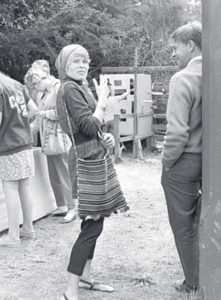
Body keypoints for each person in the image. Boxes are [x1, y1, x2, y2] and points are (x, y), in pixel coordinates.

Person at [55, 44, 128, 300]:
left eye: (86, 61)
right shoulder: (69, 89)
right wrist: (103, 103)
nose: (83, 65)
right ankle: (70, 289)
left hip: (94, 154)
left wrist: (105, 137)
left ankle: (84, 279)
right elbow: (87, 124)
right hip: (85, 160)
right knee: (92, 227)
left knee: (93, 222)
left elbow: (93, 127)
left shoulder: (79, 88)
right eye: (76, 60)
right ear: (64, 64)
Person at [161, 21, 202, 293]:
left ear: (190, 45)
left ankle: (193, 282)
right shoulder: (220, 75)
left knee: (183, 226)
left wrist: (166, 162)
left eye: (175, 48)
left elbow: (176, 132)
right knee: (204, 221)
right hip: (211, 161)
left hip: (184, 161)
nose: (173, 54)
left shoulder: (183, 78)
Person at [0, 61, 38, 246]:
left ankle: (13, 236)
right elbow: (34, 110)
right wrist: (19, 123)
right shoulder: (16, 85)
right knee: (24, 187)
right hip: (25, 144)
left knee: (10, 190)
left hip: (9, 147)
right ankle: (28, 229)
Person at [24, 65, 77, 223]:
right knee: (53, 174)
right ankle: (61, 205)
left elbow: (65, 114)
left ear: (41, 79)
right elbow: (38, 118)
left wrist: (44, 113)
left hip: (59, 138)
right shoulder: (43, 93)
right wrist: (27, 131)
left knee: (64, 173)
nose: (35, 88)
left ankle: (72, 207)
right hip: (48, 140)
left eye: (35, 84)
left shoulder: (59, 88)